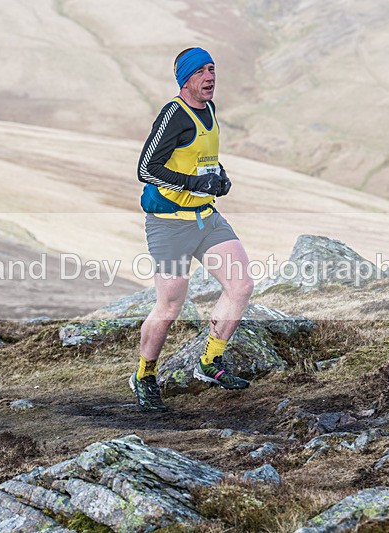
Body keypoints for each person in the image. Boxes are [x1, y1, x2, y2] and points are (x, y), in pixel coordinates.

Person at [130, 47, 255, 411]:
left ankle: (210, 363)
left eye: (213, 69)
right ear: (185, 78)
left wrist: (219, 177)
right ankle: (144, 375)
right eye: (201, 71)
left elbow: (204, 155)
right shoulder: (173, 115)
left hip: (206, 218)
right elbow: (146, 169)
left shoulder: (210, 110)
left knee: (241, 285)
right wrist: (192, 183)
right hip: (169, 224)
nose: (210, 77)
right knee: (169, 307)